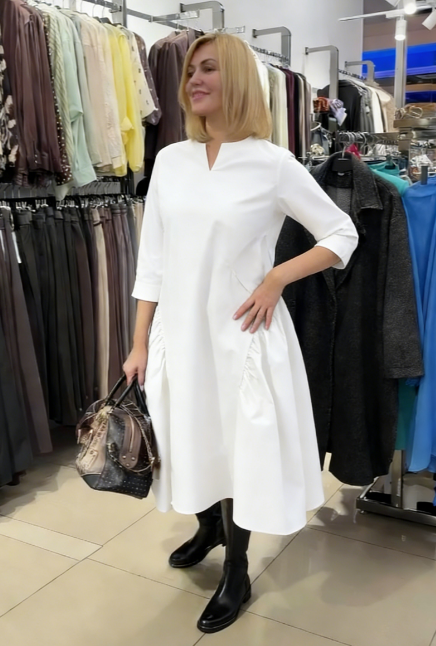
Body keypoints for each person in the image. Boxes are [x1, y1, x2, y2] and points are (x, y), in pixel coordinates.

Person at [123, 32, 358, 634]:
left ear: (238, 80)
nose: (194, 80)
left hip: (240, 335)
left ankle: (237, 569)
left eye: (209, 69)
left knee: (236, 448)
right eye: (190, 72)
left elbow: (342, 234)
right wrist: (140, 341)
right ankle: (207, 527)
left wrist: (277, 277)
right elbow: (152, 259)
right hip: (180, 333)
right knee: (187, 437)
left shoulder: (272, 163)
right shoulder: (171, 160)